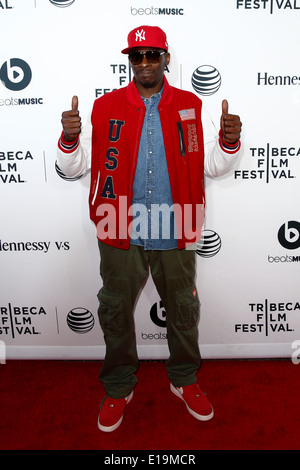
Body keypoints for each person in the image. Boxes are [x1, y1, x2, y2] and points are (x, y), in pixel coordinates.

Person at [57, 25, 242, 433]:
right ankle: (119, 386)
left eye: (152, 55)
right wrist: (69, 139)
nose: (144, 63)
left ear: (165, 59)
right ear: (129, 61)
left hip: (176, 223)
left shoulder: (190, 105)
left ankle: (184, 379)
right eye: (136, 56)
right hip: (118, 224)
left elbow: (209, 165)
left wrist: (229, 143)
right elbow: (73, 167)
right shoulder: (104, 108)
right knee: (116, 310)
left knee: (182, 308)